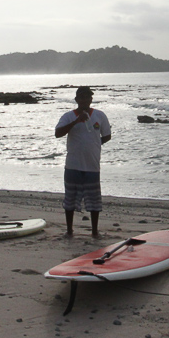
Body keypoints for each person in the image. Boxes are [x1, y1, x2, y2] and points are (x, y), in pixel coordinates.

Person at [55, 86, 111, 237]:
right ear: (76, 100)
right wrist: (76, 121)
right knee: (70, 199)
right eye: (82, 97)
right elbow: (58, 133)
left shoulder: (100, 115)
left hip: (92, 165)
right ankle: (69, 230)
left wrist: (94, 144)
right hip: (73, 164)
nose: (85, 100)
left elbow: (107, 135)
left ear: (91, 99)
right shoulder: (68, 116)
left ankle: (94, 231)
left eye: (88, 97)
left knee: (94, 200)